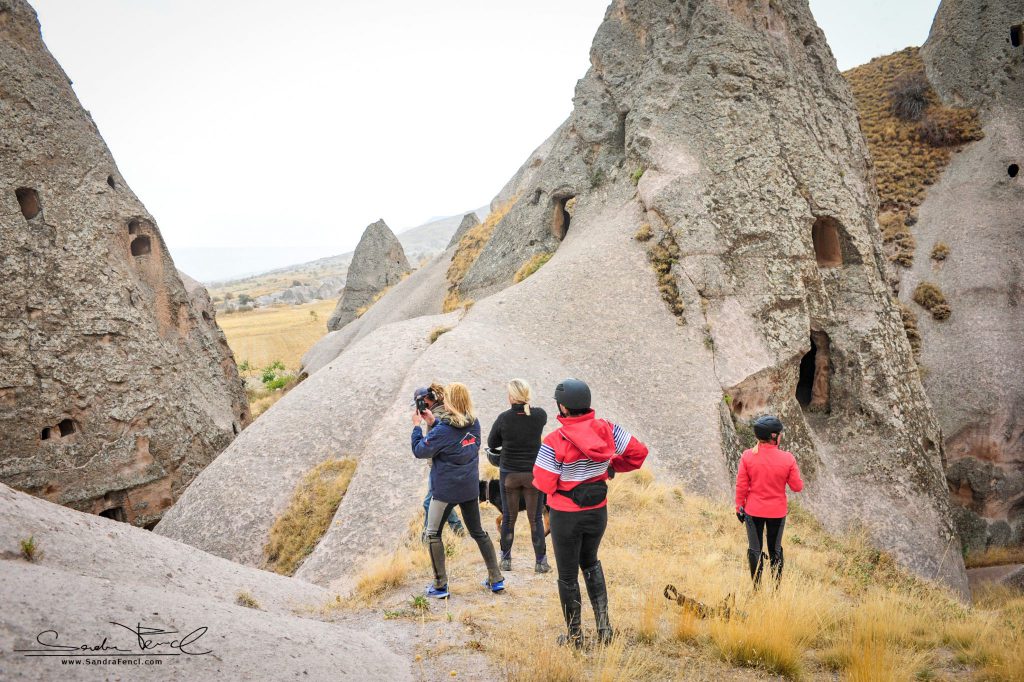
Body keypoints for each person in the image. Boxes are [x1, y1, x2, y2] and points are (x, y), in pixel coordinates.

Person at [533, 378, 648, 647]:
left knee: (567, 574)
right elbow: (638, 454)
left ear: (562, 406)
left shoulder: (554, 440)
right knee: (591, 562)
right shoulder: (608, 429)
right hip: (598, 513)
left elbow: (545, 482)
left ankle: (575, 637)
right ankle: (605, 629)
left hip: (565, 516)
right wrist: (611, 468)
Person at [412, 382, 504, 598]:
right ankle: (496, 579)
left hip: (445, 490)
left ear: (449, 401)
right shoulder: (474, 423)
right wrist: (433, 423)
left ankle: (440, 585)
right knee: (478, 532)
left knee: (433, 533)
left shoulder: (444, 429)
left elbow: (420, 450)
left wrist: (417, 426)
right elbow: (456, 440)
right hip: (469, 488)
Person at [734, 415, 803, 589]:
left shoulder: (748, 456)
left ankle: (757, 589)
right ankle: (775, 590)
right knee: (775, 550)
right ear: (773, 436)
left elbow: (741, 485)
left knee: (754, 550)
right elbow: (797, 487)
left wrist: (739, 507)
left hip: (753, 510)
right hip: (777, 512)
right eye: (779, 434)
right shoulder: (788, 458)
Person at [487, 379, 549, 573]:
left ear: (512, 397)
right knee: (535, 520)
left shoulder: (504, 418)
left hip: (509, 475)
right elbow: (532, 417)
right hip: (533, 475)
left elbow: (492, 442)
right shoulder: (540, 415)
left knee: (509, 519)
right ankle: (541, 562)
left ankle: (505, 560)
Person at [415, 384, 465, 537]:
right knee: (441, 501)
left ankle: (426, 539)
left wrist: (417, 426)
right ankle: (458, 530)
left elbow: (426, 447)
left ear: (425, 400)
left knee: (430, 502)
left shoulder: (437, 416)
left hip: (441, 467)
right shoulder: (443, 411)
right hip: (450, 465)